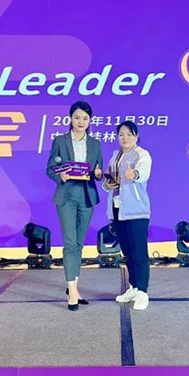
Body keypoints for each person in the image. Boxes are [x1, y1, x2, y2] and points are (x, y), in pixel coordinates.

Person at [46, 101, 103, 311]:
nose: (81, 122)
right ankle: (72, 291)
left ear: (90, 121)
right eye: (77, 117)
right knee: (70, 243)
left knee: (79, 244)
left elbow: (98, 171)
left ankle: (74, 288)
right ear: (70, 118)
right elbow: (50, 169)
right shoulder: (60, 141)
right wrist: (60, 175)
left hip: (87, 195)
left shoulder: (95, 144)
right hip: (66, 195)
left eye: (85, 118)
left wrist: (98, 174)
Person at [103, 121, 152, 311]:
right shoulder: (115, 155)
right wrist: (107, 184)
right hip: (118, 210)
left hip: (136, 211)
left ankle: (143, 292)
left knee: (139, 253)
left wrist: (135, 174)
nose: (125, 138)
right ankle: (134, 287)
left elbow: (143, 173)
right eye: (121, 134)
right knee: (128, 252)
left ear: (136, 136)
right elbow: (109, 180)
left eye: (129, 134)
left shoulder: (142, 154)